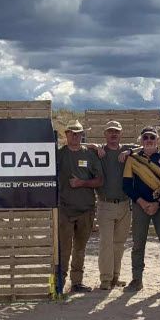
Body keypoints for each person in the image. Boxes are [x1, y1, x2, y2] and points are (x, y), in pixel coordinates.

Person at [122, 126, 160, 293]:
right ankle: (136, 280)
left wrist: (158, 203)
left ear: (158, 140)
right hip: (140, 206)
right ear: (141, 140)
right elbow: (126, 185)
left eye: (152, 137)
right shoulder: (132, 159)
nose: (149, 140)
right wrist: (142, 202)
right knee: (138, 244)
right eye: (145, 137)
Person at [55, 121, 103, 294]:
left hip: (86, 209)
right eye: (72, 133)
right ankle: (59, 283)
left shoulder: (90, 155)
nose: (75, 136)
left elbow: (99, 180)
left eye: (78, 133)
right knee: (64, 248)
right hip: (65, 210)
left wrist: (82, 183)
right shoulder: (58, 155)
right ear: (66, 135)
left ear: (82, 135)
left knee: (80, 249)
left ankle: (77, 282)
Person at [95, 120, 134, 290]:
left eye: (116, 131)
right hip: (105, 204)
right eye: (110, 131)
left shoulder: (126, 149)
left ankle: (114, 278)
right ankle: (105, 279)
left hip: (125, 204)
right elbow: (84, 146)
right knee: (106, 243)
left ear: (121, 133)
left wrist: (130, 152)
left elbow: (148, 146)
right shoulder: (100, 152)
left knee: (119, 243)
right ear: (105, 134)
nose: (113, 134)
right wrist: (95, 147)